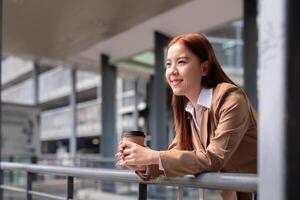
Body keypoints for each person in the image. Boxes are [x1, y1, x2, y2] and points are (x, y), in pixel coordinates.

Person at [116, 33, 257, 200]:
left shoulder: (231, 98)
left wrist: (152, 155)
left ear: (204, 68)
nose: (172, 71)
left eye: (181, 62)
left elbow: (214, 159)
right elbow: (176, 155)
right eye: (168, 64)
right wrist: (141, 164)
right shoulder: (189, 109)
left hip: (270, 191)